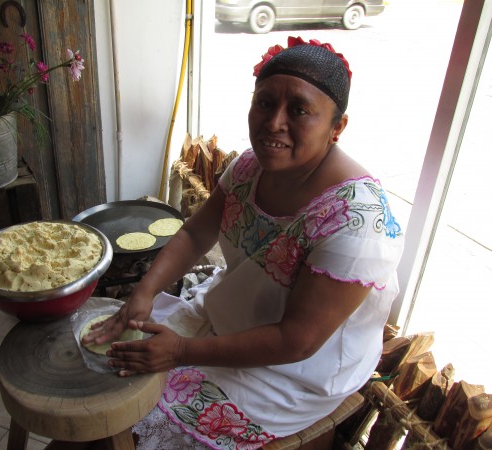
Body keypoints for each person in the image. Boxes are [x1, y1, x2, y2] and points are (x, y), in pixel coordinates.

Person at [83, 35, 405, 449]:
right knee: (114, 388)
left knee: (145, 416)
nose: (274, 123)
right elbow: (196, 232)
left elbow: (298, 341)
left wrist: (181, 351)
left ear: (337, 127)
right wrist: (144, 292)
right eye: (265, 102)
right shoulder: (250, 167)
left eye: (300, 110)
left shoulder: (357, 222)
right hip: (235, 317)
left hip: (300, 370)